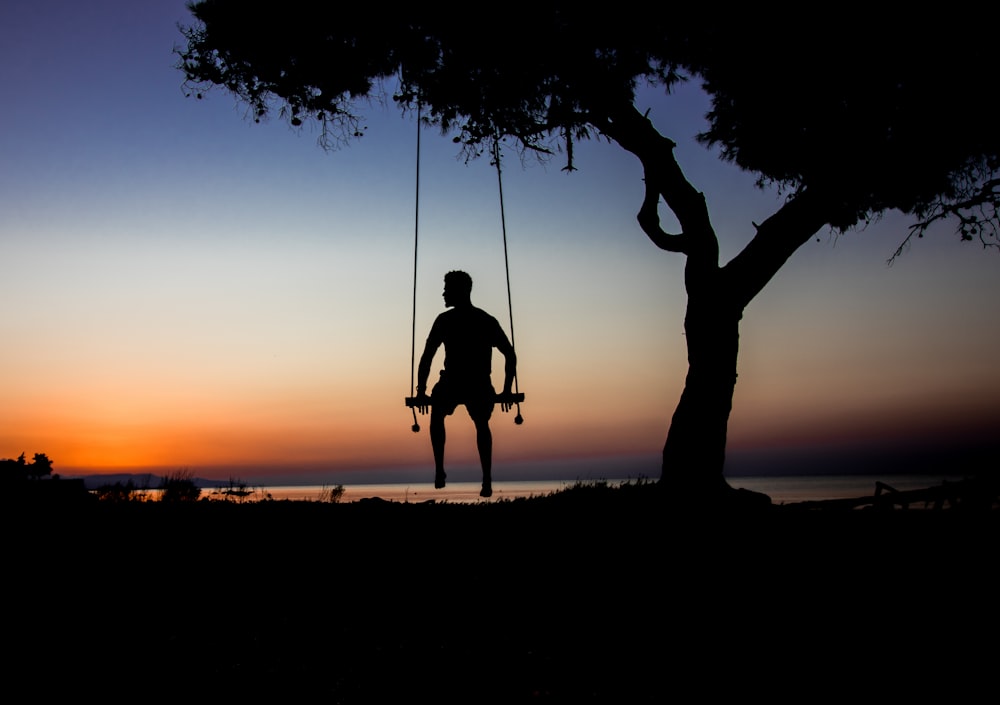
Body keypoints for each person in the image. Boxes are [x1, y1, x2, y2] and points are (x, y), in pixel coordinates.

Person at [414, 270, 517, 498]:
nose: (443, 293)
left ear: (459, 291)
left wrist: (422, 391)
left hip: (458, 382)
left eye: (447, 289)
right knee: (481, 423)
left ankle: (440, 470)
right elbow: (510, 355)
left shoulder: (445, 321)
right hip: (476, 383)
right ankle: (485, 479)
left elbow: (427, 357)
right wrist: (507, 388)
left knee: (439, 413)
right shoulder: (485, 320)